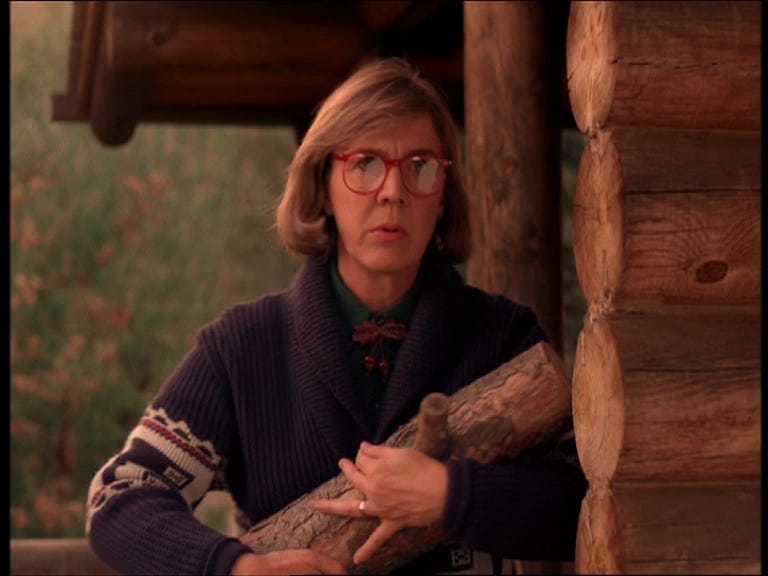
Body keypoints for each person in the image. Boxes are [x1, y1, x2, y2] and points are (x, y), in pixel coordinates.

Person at [85, 57, 587, 575]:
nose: (393, 191)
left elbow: (589, 501)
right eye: (365, 164)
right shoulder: (242, 348)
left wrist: (452, 495)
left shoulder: (504, 338)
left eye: (420, 166)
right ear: (323, 186)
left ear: (443, 197)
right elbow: (117, 495)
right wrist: (233, 567)